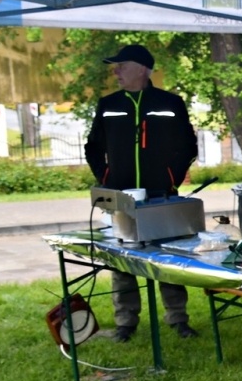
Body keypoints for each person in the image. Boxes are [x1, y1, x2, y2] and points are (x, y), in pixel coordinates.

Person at [84, 43, 200, 342]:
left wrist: (171, 177)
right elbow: (93, 147)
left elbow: (188, 145)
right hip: (121, 195)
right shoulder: (108, 104)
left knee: (167, 257)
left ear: (142, 69)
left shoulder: (171, 103)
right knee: (122, 258)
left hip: (161, 194)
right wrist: (106, 178)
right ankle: (125, 321)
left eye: (122, 66)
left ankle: (178, 318)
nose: (116, 72)